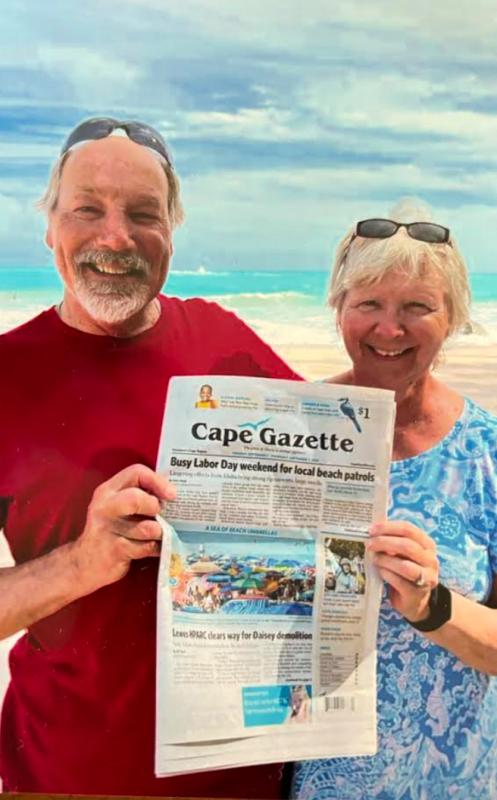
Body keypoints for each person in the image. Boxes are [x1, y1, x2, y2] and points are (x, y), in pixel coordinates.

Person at [0, 117, 301, 796]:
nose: (115, 237)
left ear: (171, 230)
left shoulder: (224, 340)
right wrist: (83, 562)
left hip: (242, 774)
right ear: (49, 226)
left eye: (143, 214)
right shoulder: (5, 375)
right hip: (65, 774)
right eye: (87, 210)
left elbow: (336, 459)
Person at [293, 201, 497, 799]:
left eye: (417, 307)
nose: (389, 329)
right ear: (339, 309)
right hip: (321, 781)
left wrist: (433, 606)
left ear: (453, 317)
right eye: (368, 304)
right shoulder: (283, 430)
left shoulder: (486, 454)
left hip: (453, 781)